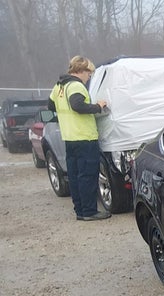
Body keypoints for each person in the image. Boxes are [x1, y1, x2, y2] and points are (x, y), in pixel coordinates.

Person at [49, 56, 110, 221]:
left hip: (69, 137)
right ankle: (90, 212)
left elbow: (50, 106)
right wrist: (98, 106)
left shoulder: (59, 87)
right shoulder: (76, 86)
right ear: (81, 71)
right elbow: (77, 105)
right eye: (88, 73)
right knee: (88, 175)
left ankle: (80, 211)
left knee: (75, 176)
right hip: (84, 137)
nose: (89, 77)